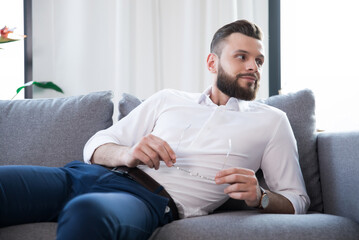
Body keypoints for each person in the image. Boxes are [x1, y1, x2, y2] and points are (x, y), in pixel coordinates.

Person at [0, 19, 310, 240]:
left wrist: (261, 197)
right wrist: (128, 152)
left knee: (88, 211)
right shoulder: (168, 99)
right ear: (212, 63)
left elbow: (297, 198)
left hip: (147, 201)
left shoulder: (271, 121)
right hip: (85, 175)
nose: (254, 67)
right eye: (241, 57)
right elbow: (98, 144)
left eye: (258, 60)